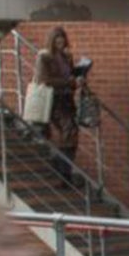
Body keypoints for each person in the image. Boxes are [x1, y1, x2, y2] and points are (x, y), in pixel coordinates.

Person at [34, 26, 81, 164]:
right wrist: (67, 81)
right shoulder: (44, 57)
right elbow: (44, 79)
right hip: (53, 99)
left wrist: (77, 79)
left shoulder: (67, 56)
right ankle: (62, 167)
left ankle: (64, 165)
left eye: (63, 43)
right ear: (52, 42)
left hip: (67, 98)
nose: (61, 46)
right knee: (68, 131)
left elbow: (70, 77)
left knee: (71, 133)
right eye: (58, 43)